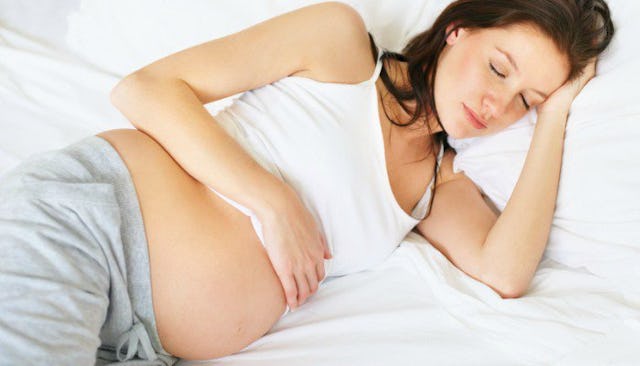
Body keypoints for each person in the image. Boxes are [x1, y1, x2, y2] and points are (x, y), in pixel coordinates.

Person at [0, 0, 614, 364]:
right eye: (498, 68)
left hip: (143, 346)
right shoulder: (340, 47)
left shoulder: (440, 186)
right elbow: (145, 89)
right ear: (460, 29)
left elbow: (506, 273)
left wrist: (555, 115)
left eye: (524, 99)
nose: (498, 103)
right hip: (87, 230)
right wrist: (273, 202)